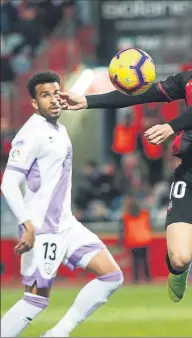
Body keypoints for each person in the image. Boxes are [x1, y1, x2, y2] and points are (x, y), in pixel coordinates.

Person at [57, 9, 192, 336]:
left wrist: (172, 126)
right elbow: (141, 94)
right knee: (177, 256)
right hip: (189, 178)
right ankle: (179, 271)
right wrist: (86, 101)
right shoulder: (189, 78)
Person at [0, 71, 123, 337]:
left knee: (112, 276)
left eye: (56, 93)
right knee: (35, 301)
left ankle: (58, 333)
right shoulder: (30, 134)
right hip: (42, 228)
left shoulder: (60, 129)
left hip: (66, 225)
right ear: (34, 103)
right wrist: (26, 224)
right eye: (45, 95)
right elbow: (8, 183)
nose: (53, 99)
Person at [120, 195, 152, 283]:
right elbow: (149, 225)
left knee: (135, 261)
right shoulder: (145, 214)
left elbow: (122, 231)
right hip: (144, 239)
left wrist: (121, 242)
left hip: (133, 241)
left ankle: (136, 279)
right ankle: (148, 278)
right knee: (145, 260)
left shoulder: (126, 216)